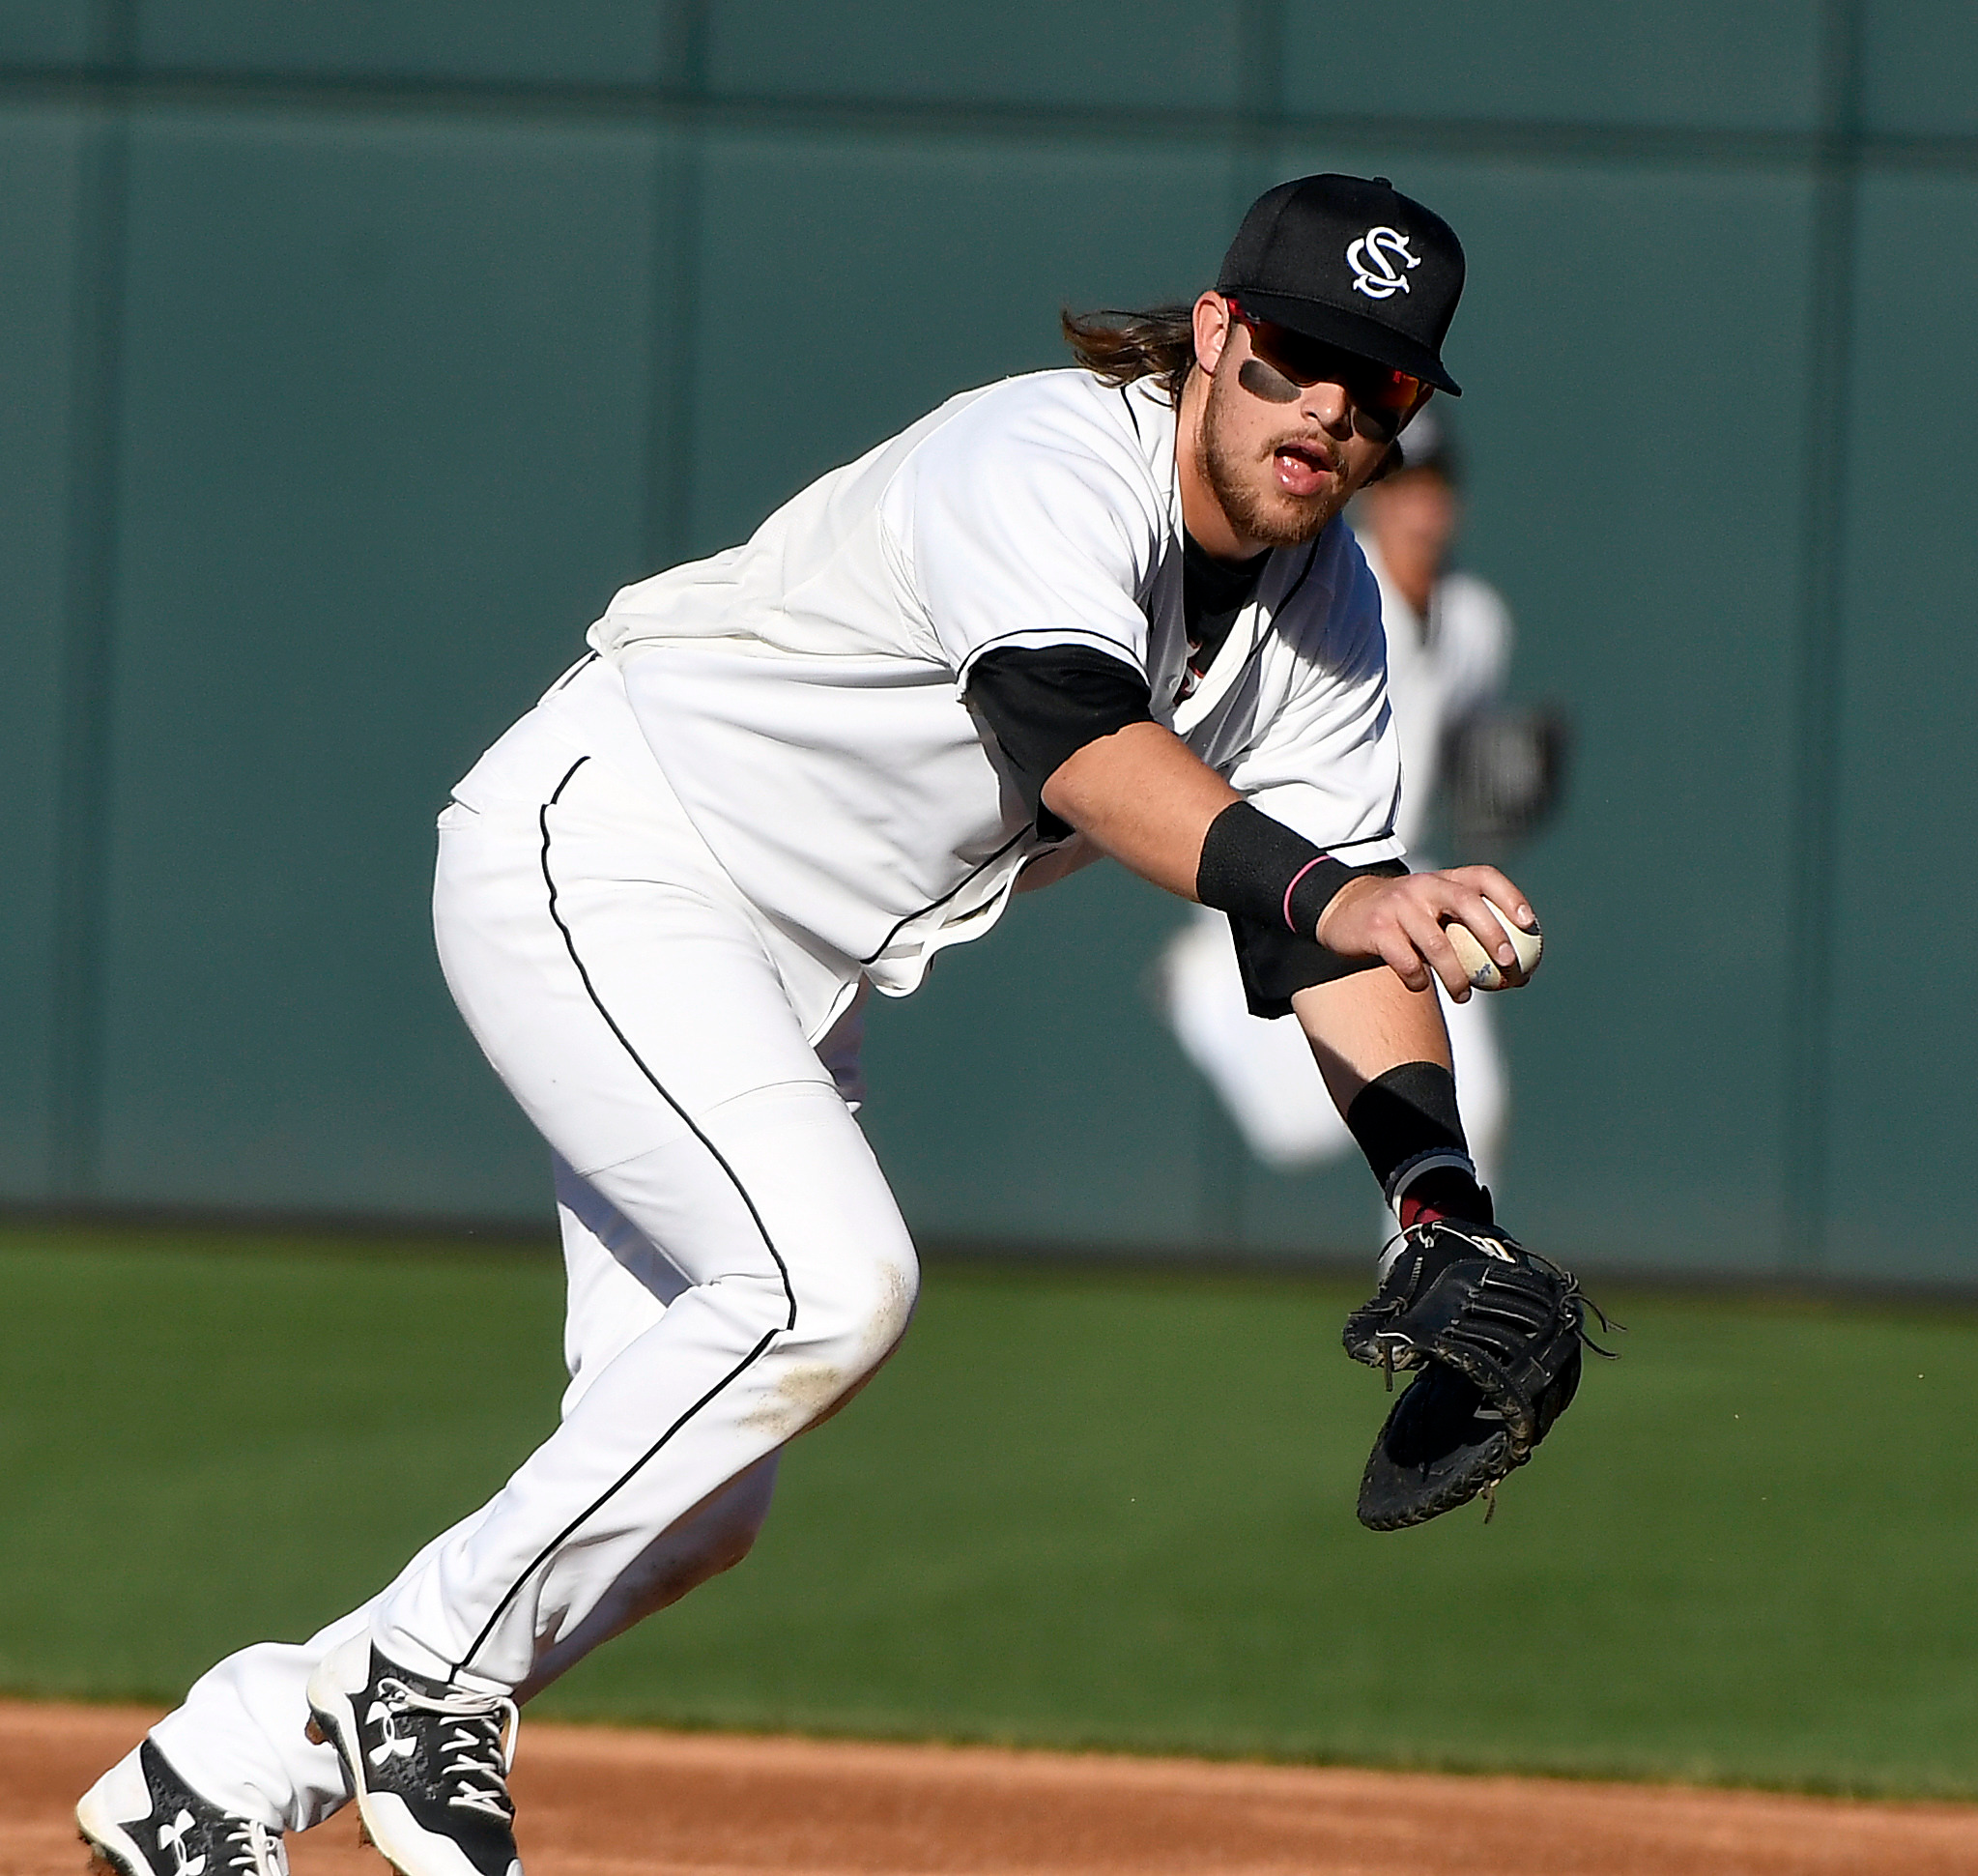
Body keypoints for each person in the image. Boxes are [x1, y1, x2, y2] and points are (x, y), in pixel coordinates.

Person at [76, 173, 1541, 1876]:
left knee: (704, 1503)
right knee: (827, 1286)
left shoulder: (1330, 615)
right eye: (1296, 355)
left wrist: (1438, 1199)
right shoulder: (1047, 459)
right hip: (616, 850)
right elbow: (1079, 740)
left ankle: (227, 1767)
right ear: (1214, 332)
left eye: (1375, 389)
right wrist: (1334, 897)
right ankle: (427, 1681)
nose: (1324, 411)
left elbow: (1342, 933)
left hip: (780, 968)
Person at [1159, 408, 1518, 1179]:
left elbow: (1462, 761)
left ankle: (1443, 1289)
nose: (1420, 507)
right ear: (1376, 496)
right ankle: (1202, 984)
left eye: (1434, 488)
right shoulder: (1331, 592)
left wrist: (1501, 788)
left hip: (1402, 869)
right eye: (1404, 486)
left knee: (1464, 1119)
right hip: (1295, 869)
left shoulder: (1478, 623)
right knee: (1296, 1131)